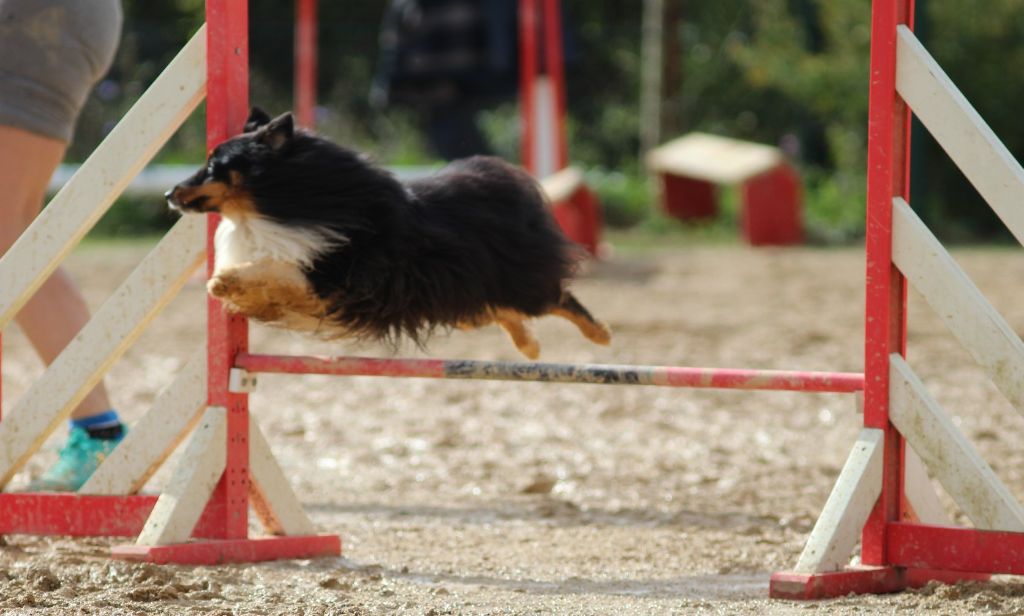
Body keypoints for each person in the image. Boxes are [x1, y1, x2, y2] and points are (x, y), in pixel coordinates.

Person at [0, 0, 126, 491]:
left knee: (8, 229)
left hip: (36, 18)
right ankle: (98, 431)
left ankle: (99, 432)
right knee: (14, 233)